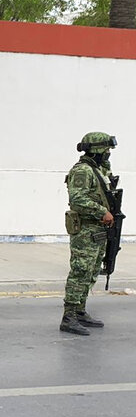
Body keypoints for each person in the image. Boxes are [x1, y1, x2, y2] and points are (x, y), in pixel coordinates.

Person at [61, 131, 118, 335]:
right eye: (106, 149)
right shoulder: (83, 171)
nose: (108, 153)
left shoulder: (97, 170)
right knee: (80, 271)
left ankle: (80, 310)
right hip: (85, 229)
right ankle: (68, 317)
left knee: (92, 271)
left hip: (98, 229)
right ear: (96, 150)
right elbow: (77, 199)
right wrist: (102, 211)